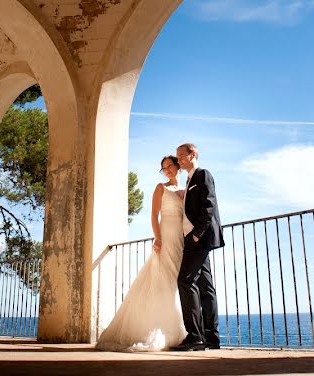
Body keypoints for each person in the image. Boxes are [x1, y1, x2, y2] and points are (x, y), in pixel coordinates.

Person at [95, 155, 188, 351]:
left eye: (170, 165)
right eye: (164, 168)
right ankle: (165, 328)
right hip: (166, 239)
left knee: (180, 281)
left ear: (178, 166)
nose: (168, 170)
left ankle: (185, 328)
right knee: (165, 280)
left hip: (183, 240)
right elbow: (154, 215)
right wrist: (158, 238)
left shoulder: (187, 187)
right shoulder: (160, 188)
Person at [170, 142, 224, 351]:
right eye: (178, 157)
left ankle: (195, 337)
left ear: (193, 154)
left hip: (198, 238)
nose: (179, 160)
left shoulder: (203, 174)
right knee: (205, 288)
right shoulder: (190, 179)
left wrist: (196, 235)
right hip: (195, 238)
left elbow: (209, 205)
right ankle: (211, 339)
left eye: (182, 156)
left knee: (185, 280)